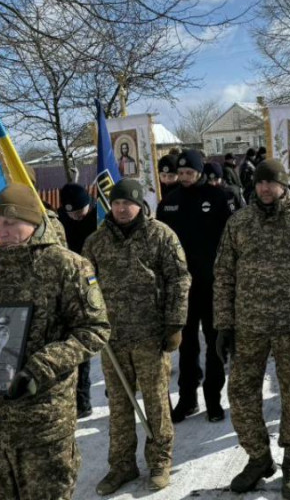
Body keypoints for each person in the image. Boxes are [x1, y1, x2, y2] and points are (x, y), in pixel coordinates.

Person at [0, 184, 110, 500]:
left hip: (42, 420)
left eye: (10, 223)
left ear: (32, 223)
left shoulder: (67, 267)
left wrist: (38, 368)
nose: (2, 231)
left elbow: (94, 329)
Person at [214, 159, 290, 499]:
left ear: (284, 185)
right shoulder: (239, 222)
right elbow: (223, 275)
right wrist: (224, 325)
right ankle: (258, 457)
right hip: (249, 326)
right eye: (261, 183)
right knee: (239, 393)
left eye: (272, 183)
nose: (265, 189)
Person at [83, 178, 191, 494]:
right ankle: (122, 466)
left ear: (139, 204)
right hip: (113, 339)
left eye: (127, 203)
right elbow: (87, 286)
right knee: (118, 406)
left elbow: (179, 280)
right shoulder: (96, 242)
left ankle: (160, 461)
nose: (121, 209)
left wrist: (175, 325)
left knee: (156, 402)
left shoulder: (160, 235)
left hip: (150, 336)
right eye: (116, 204)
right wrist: (92, 323)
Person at [156, 149, 235, 423]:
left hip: (213, 286)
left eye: (190, 172)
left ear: (200, 171)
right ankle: (187, 399)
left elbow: (231, 242)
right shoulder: (168, 203)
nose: (185, 177)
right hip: (181, 289)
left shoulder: (218, 198)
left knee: (215, 344)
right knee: (186, 345)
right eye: (181, 173)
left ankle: (213, 399)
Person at [58, 182, 99, 417]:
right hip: (71, 289)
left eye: (79, 212)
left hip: (98, 285)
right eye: (71, 212)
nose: (76, 216)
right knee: (78, 344)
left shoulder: (98, 216)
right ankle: (81, 399)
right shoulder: (60, 219)